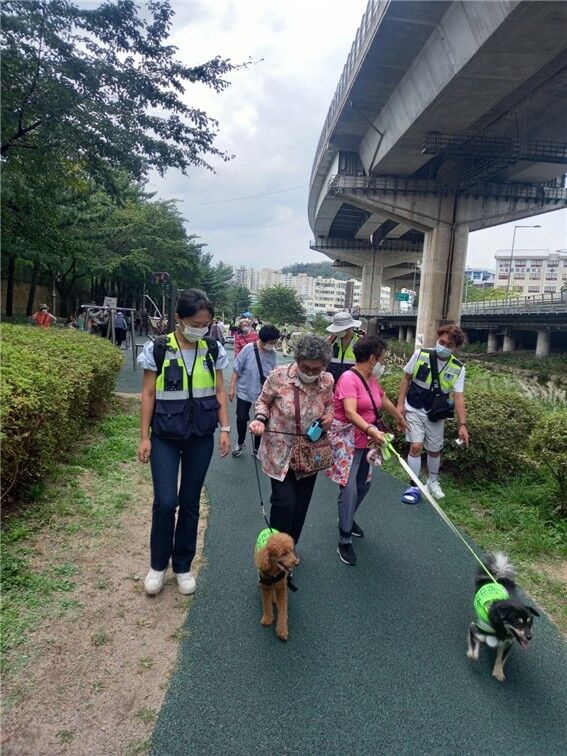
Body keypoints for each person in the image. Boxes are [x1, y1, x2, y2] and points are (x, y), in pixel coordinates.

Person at [137, 288, 231, 597]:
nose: (200, 328)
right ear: (178, 319)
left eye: (206, 322)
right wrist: (144, 437)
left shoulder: (213, 349)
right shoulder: (159, 349)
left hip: (200, 437)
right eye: (194, 322)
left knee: (190, 503)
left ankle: (183, 566)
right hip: (164, 435)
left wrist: (226, 429)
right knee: (165, 503)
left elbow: (219, 391)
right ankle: (157, 565)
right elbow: (148, 394)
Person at [327, 336, 406, 566]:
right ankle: (344, 538)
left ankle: (347, 517)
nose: (383, 363)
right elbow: (351, 413)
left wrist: (398, 416)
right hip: (348, 441)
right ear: (372, 358)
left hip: (367, 440)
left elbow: (381, 399)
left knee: (365, 484)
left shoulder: (372, 379)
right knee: (349, 488)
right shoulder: (348, 379)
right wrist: (373, 430)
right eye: (382, 358)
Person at [249, 335, 333, 548]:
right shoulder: (279, 376)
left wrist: (329, 416)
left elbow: (330, 404)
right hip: (279, 451)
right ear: (297, 361)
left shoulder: (327, 381)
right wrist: (260, 419)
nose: (311, 373)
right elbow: (263, 401)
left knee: (300, 506)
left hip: (309, 453)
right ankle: (275, 550)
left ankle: (290, 547)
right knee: (285, 502)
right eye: (306, 367)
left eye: (317, 369)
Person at [397, 323, 469, 500]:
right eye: (441, 342)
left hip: (435, 413)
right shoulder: (421, 354)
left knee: (434, 450)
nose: (443, 347)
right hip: (413, 406)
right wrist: (400, 405)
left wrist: (463, 424)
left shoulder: (458, 368)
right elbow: (406, 377)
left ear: (456, 348)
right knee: (415, 446)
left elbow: (458, 397)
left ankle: (433, 481)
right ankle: (414, 484)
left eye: (448, 345)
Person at [229, 324, 280, 457]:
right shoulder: (248, 349)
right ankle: (240, 442)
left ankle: (257, 447)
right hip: (245, 390)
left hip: (262, 393)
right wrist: (231, 387)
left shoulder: (272, 353)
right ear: (263, 340)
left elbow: (273, 372)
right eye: (272, 342)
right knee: (241, 418)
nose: (273, 345)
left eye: (275, 342)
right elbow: (236, 369)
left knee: (260, 419)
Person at [326, 311, 362, 385]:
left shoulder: (360, 342)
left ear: (350, 328)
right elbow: (321, 359)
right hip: (331, 385)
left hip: (350, 385)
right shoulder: (331, 340)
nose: (337, 331)